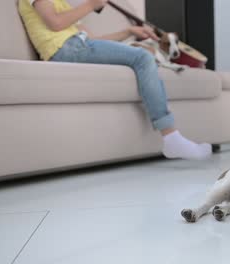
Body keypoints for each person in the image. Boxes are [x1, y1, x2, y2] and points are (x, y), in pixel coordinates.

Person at [18, 0, 212, 160]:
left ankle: (172, 138)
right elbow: (55, 23)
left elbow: (95, 40)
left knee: (141, 56)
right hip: (65, 48)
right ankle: (171, 137)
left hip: (78, 45)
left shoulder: (62, 5)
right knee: (143, 57)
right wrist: (91, 5)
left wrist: (129, 32)